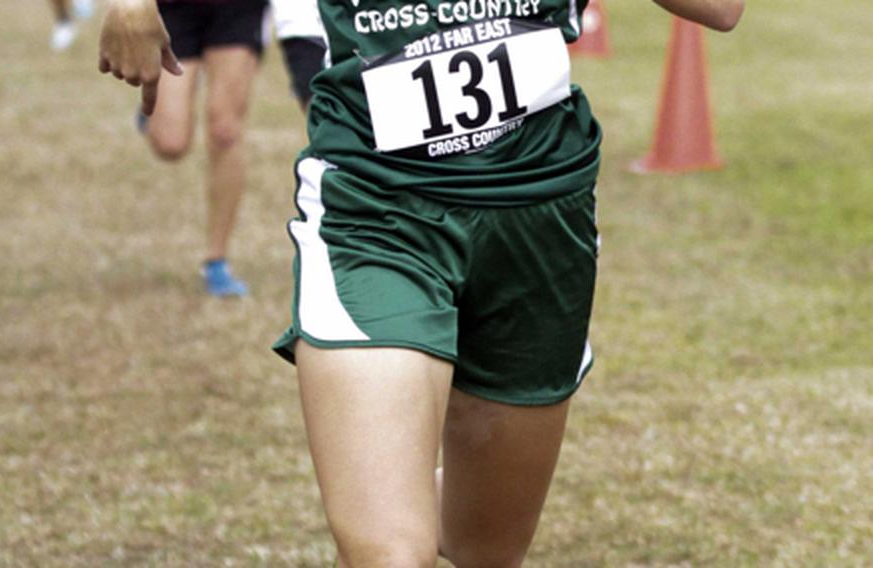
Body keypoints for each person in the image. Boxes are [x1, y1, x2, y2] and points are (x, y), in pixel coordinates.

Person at [99, 0, 744, 564]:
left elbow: (721, 8)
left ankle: (384, 482)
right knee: (392, 553)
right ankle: (377, 489)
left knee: (485, 546)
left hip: (540, 222)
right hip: (378, 215)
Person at [132, 0, 325, 297]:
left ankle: (216, 260)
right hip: (174, 8)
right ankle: (155, 114)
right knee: (170, 143)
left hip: (237, 8)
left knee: (226, 131)